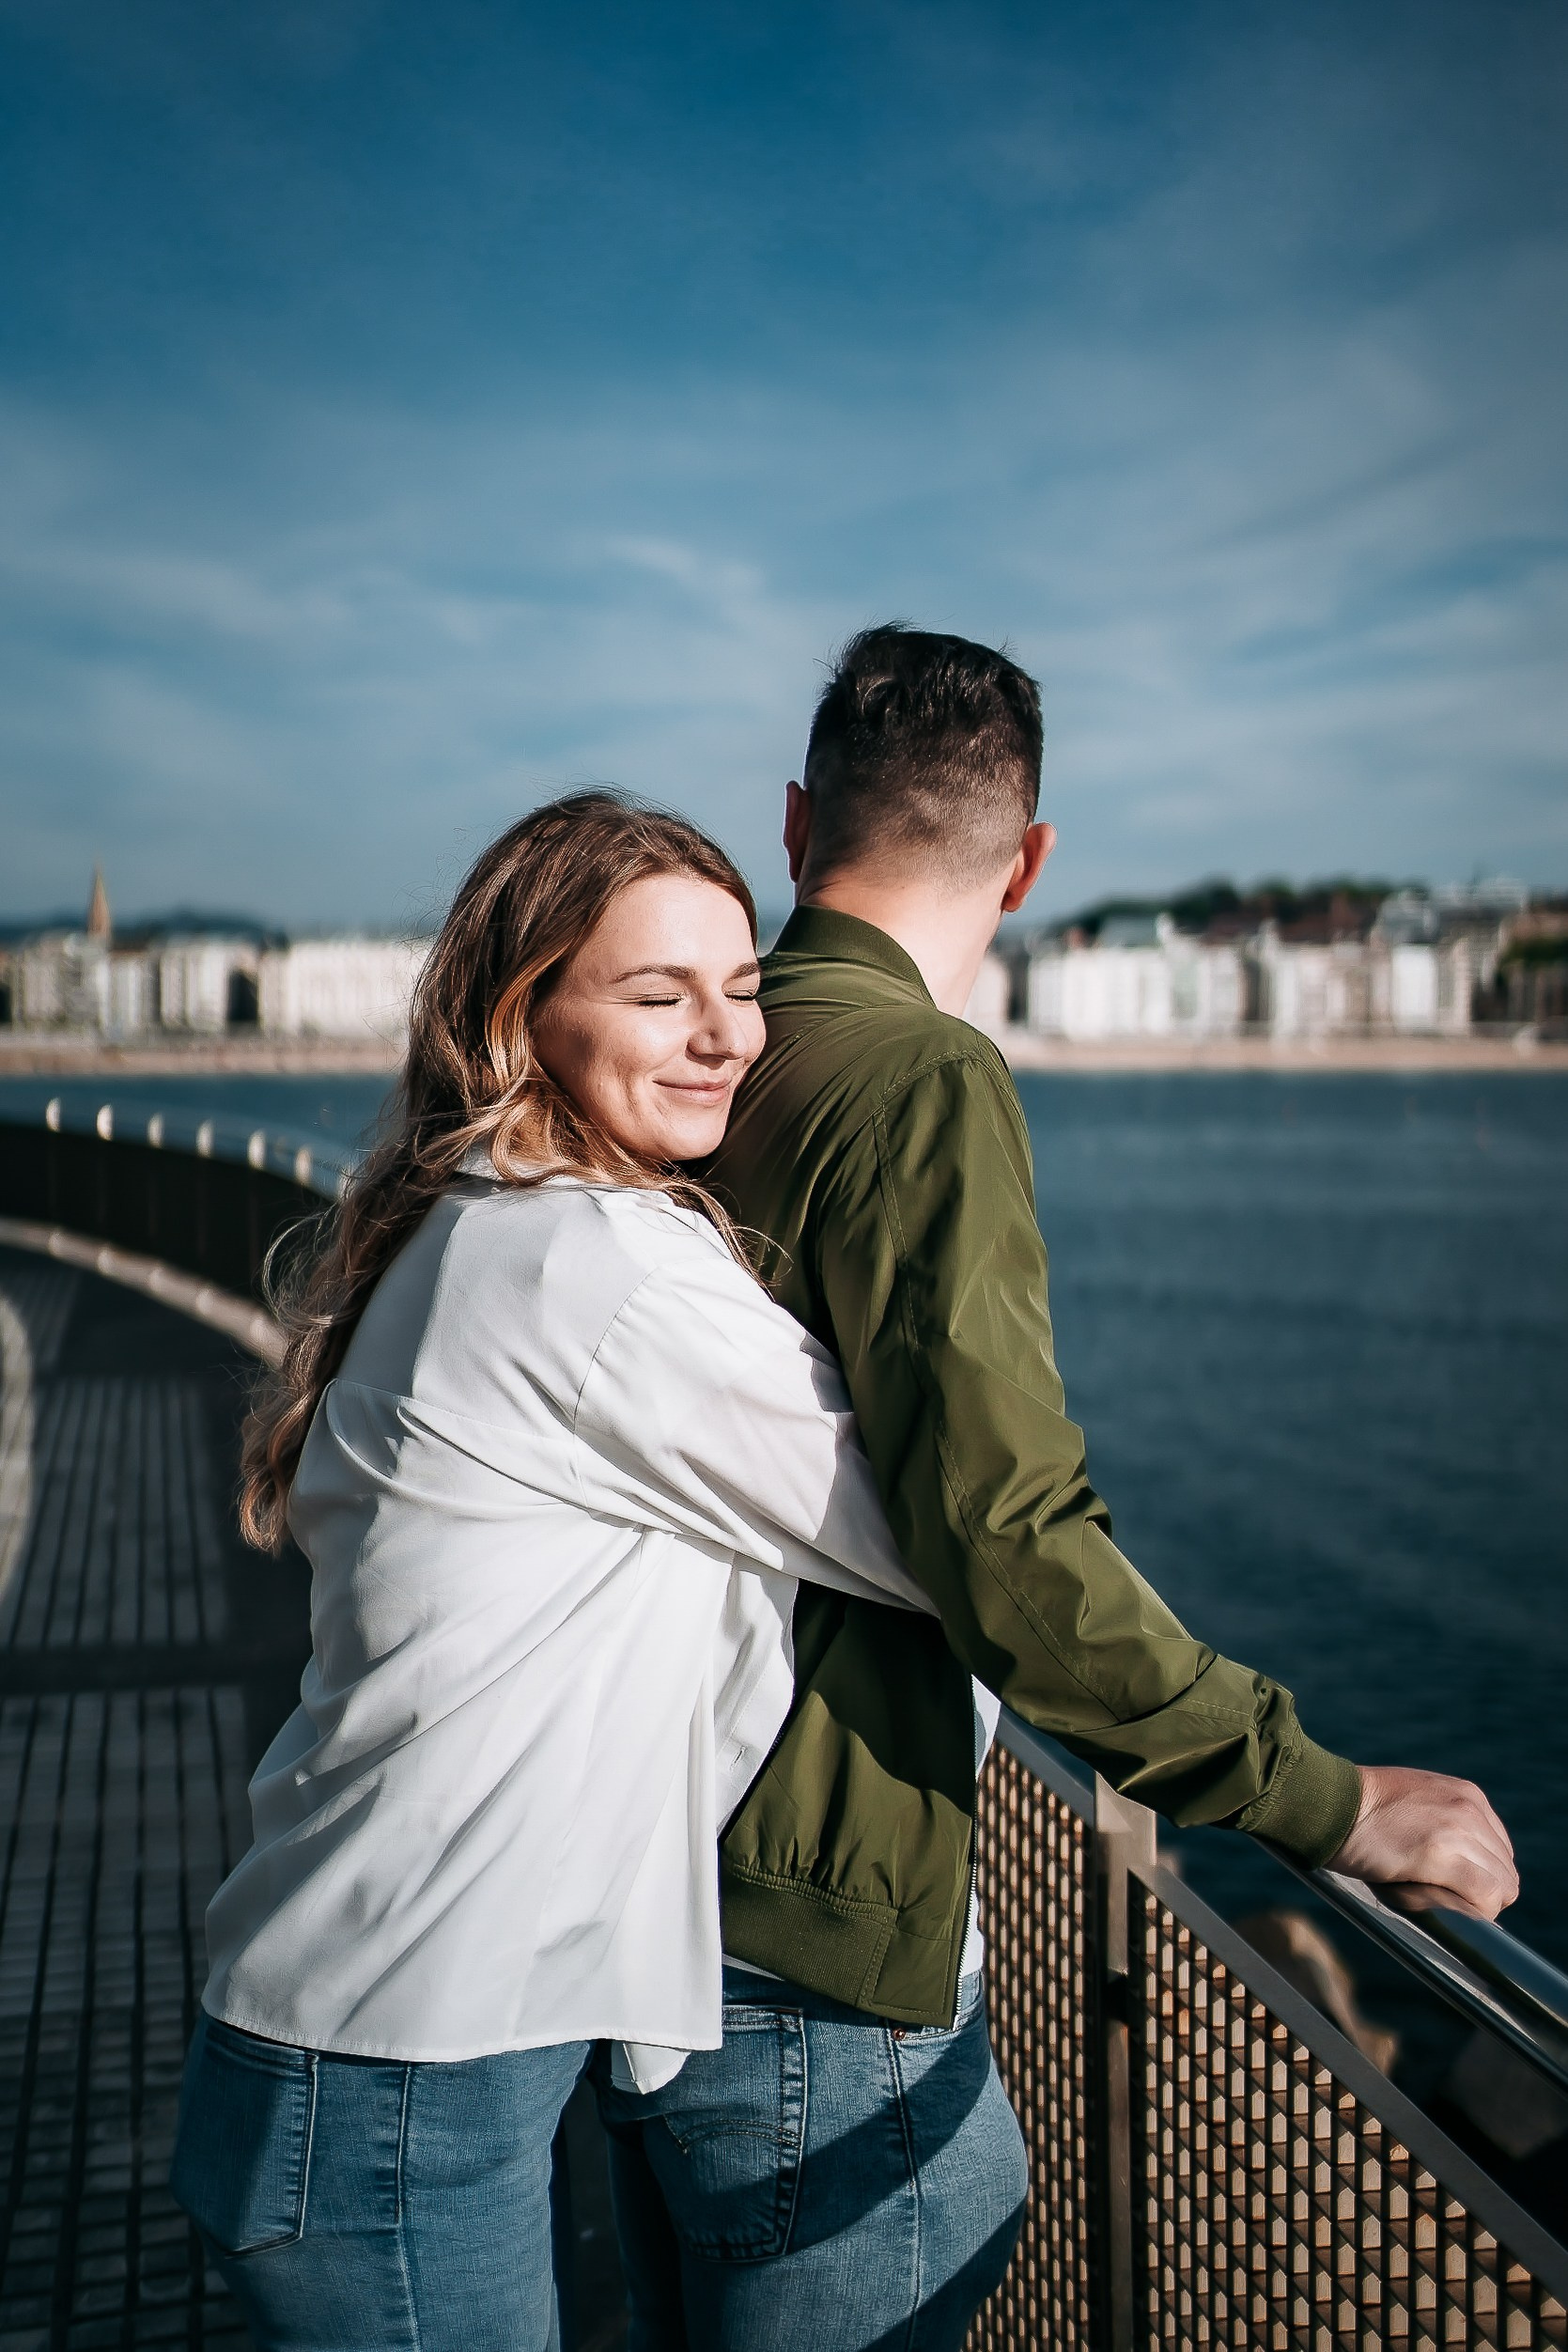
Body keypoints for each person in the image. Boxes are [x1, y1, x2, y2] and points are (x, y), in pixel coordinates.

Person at [595, 625, 1520, 2350]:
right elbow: (1005, 1540)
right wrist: (1317, 1793)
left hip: (636, 1892)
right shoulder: (924, 1077)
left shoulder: (697, 1060)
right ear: (1027, 867)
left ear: (795, 828)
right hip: (811, 1941)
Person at [167, 794, 934, 2352]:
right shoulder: (600, 1267)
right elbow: (955, 1539)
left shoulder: (493, 1215)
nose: (727, 1037)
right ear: (524, 1020)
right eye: (659, 996)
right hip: (390, 2092)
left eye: (743, 986)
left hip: (359, 2061)